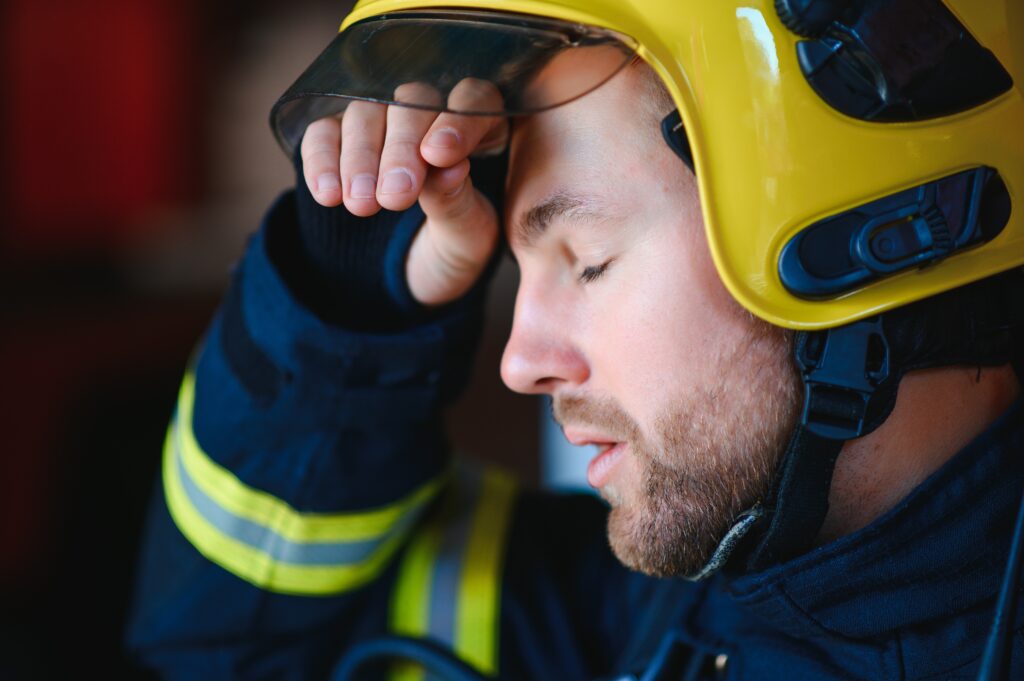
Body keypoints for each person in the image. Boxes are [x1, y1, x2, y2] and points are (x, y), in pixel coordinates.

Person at [126, 1, 1024, 679]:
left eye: (588, 260)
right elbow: (218, 656)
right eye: (523, 271)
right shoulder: (616, 609)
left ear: (879, 233)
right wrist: (351, 301)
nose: (520, 362)